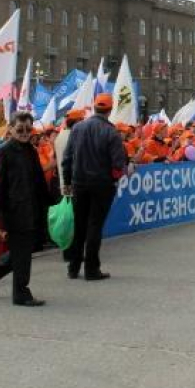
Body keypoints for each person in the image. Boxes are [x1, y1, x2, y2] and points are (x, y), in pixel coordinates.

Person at [0, 112, 51, 306]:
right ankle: (21, 293)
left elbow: (38, 179)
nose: (24, 133)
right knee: (22, 252)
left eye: (28, 129)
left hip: (32, 208)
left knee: (23, 249)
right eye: (20, 129)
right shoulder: (2, 151)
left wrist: (48, 203)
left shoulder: (30, 149)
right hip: (14, 210)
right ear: (10, 129)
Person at [61, 93, 128, 281]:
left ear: (94, 107)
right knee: (94, 226)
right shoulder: (111, 132)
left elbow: (67, 158)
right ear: (110, 109)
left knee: (80, 225)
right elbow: (117, 164)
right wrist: (120, 175)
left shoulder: (78, 128)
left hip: (79, 183)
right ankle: (91, 269)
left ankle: (73, 267)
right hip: (102, 184)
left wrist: (67, 182)